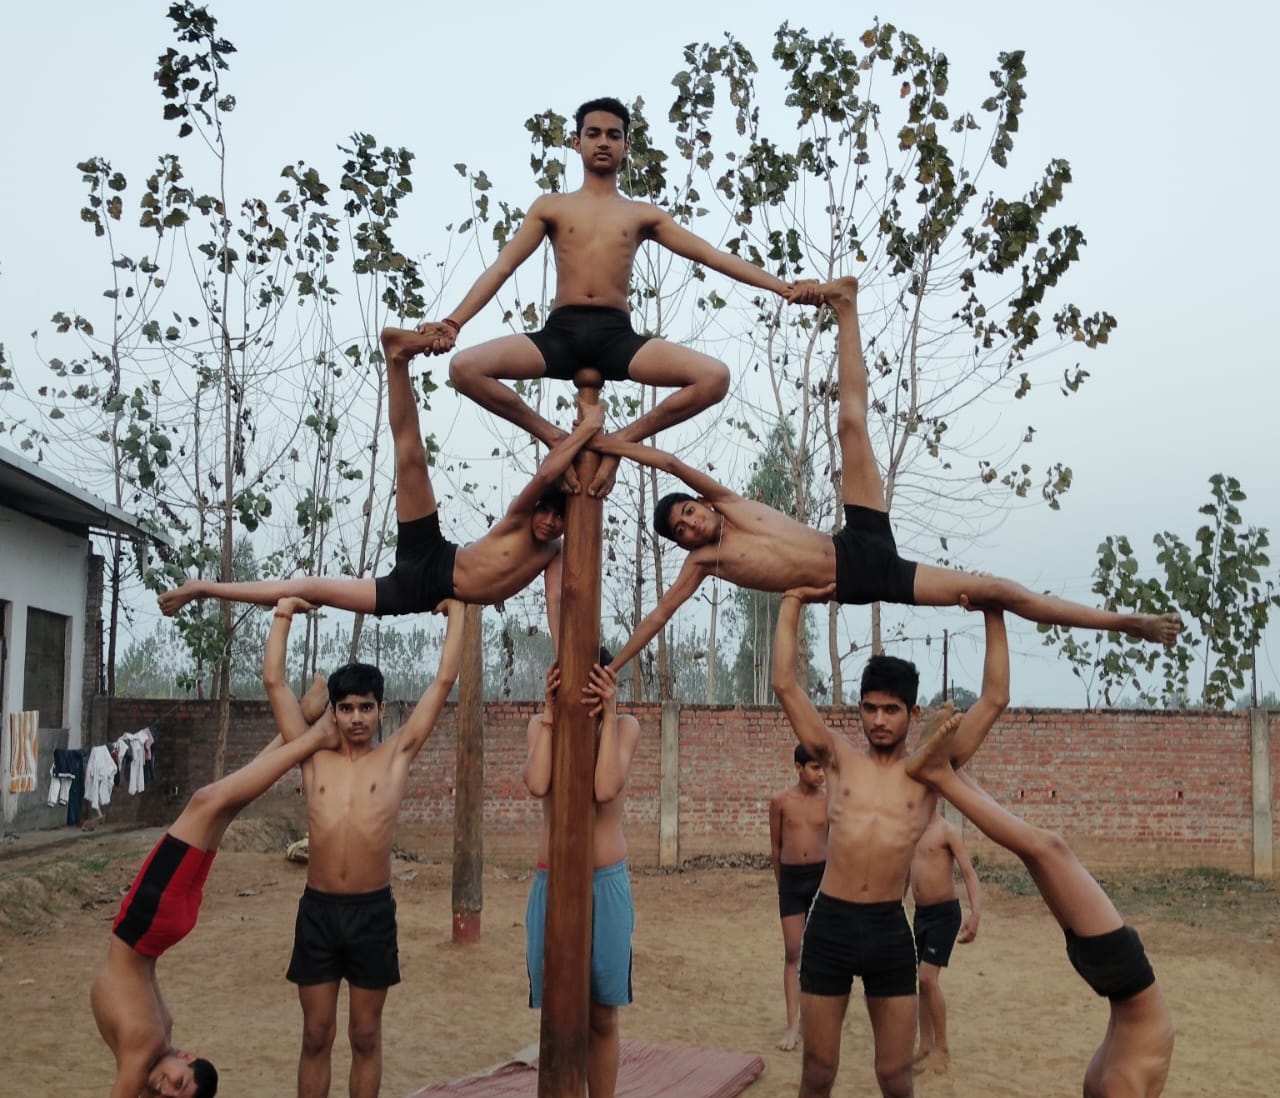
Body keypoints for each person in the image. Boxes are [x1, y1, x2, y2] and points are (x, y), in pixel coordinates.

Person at [596, 276, 1181, 676]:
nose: (691, 525)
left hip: (859, 539)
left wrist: (613, 445)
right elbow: (659, 616)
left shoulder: (728, 503)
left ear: (701, 503)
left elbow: (671, 463)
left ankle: (845, 305)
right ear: (683, 544)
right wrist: (616, 667)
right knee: (997, 591)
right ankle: (1124, 624)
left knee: (852, 423)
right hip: (872, 580)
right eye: (681, 531)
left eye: (687, 512)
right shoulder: (704, 565)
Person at [770, 587, 1010, 1098]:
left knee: (896, 1078)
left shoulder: (928, 772)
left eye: (892, 710)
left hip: (886, 931)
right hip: (830, 925)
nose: (879, 720)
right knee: (818, 1070)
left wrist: (993, 610)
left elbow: (994, 700)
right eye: (870, 708)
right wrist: (793, 599)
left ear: (911, 713)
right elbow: (785, 682)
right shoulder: (836, 759)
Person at [419, 96, 821, 498]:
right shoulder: (551, 207)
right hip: (560, 335)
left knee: (714, 378)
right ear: (576, 141)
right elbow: (503, 266)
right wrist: (454, 322)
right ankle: (555, 438)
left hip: (615, 337)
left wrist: (783, 287)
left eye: (613, 135)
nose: (603, 142)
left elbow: (710, 255)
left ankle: (619, 444)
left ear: (626, 146)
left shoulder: (641, 214)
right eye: (593, 133)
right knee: (464, 368)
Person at [905, 714, 1174, 1098]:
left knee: (1047, 848)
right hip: (1102, 973)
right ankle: (953, 775)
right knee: (1039, 852)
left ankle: (946, 776)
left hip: (1122, 972)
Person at [87, 678, 336, 1098]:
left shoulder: (149, 1054)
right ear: (187, 1056)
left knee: (218, 802)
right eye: (176, 1085)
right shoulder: (149, 1042)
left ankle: (302, 725)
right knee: (212, 802)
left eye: (168, 1095)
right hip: (150, 926)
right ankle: (309, 731)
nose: (162, 1090)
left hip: (158, 928)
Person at [157, 327, 602, 622]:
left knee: (314, 589)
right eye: (546, 512)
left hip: (413, 593)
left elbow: (557, 600)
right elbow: (548, 470)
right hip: (432, 554)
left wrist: (560, 659)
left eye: (558, 519)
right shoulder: (520, 518)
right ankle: (397, 358)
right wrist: (587, 430)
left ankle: (204, 589)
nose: (549, 522)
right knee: (411, 454)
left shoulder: (554, 552)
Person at [264, 595, 465, 1098]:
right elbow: (274, 681)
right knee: (315, 1034)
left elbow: (443, 680)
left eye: (366, 707)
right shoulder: (311, 759)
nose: (356, 718)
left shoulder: (394, 757)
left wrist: (458, 612)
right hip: (319, 912)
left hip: (373, 913)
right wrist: (284, 613)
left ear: (381, 710)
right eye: (346, 707)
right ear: (333, 711)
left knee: (366, 1035)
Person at [523, 657, 640, 1098]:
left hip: (605, 884)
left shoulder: (625, 727)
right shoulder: (540, 725)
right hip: (552, 883)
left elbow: (604, 788)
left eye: (595, 684)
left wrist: (609, 713)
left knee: (602, 1015)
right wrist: (550, 715)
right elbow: (537, 783)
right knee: (557, 1010)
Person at [908, 811, 981, 1073]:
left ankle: (942, 1048)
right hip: (921, 915)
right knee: (921, 981)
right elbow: (905, 873)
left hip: (944, 915)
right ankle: (925, 1046)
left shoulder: (947, 831)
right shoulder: (911, 829)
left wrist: (975, 914)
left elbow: (969, 873)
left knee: (928, 978)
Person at [768, 743, 828, 1052]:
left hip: (821, 879)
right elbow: (776, 846)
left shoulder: (829, 802)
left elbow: (836, 843)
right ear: (798, 768)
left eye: (823, 768)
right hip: (791, 881)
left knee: (818, 953)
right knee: (793, 951)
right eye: (815, 768)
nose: (821, 774)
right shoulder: (780, 801)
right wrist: (783, 885)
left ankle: (814, 1021)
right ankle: (793, 1025)